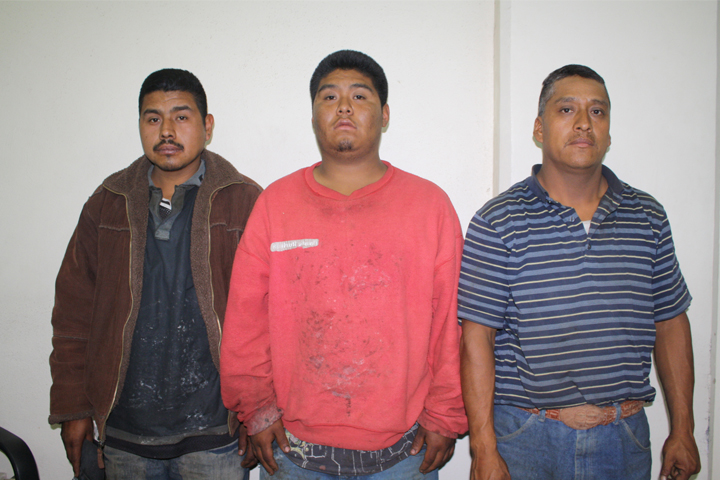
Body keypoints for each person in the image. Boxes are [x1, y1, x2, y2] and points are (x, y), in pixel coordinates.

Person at [220, 50, 467, 479]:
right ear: (314, 115)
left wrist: (446, 413)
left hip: (404, 452)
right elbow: (245, 319)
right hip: (294, 451)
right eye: (330, 97)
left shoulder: (430, 206)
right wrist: (256, 409)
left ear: (384, 114)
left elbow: (451, 321)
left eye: (360, 96)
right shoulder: (275, 204)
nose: (345, 107)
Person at [459, 64, 701, 480]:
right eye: (567, 109)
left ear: (608, 132)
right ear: (539, 128)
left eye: (598, 111)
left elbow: (670, 322)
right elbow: (476, 337)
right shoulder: (499, 221)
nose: (584, 123)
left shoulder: (647, 217)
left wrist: (683, 429)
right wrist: (483, 448)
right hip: (526, 438)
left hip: (624, 439)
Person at [49, 68, 262, 479]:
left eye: (181, 116)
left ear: (207, 126)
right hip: (124, 432)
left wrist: (259, 412)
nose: (166, 131)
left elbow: (268, 319)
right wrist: (73, 407)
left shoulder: (243, 201)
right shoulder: (107, 203)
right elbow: (73, 313)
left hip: (215, 434)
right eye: (153, 118)